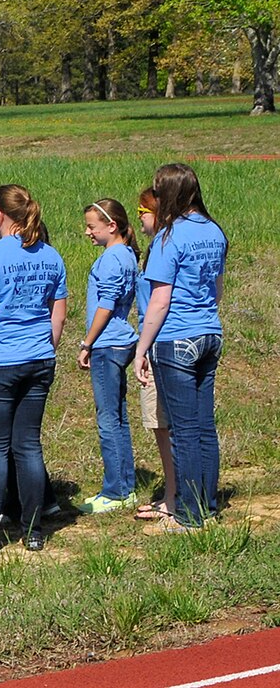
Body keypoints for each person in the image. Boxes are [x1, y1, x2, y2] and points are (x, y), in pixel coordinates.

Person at [0, 185, 67, 555]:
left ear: (0, 215)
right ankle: (34, 531)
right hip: (39, 359)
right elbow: (59, 313)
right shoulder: (51, 256)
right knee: (28, 446)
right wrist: (44, 350)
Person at [134, 164, 227, 532]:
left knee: (184, 431)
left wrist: (142, 348)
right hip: (209, 333)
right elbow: (217, 288)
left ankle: (187, 515)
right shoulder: (214, 231)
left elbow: (159, 300)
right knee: (205, 427)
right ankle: (207, 503)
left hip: (176, 339)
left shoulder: (168, 236)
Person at [76, 199, 140, 513]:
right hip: (120, 342)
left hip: (107, 344)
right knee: (118, 417)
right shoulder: (126, 254)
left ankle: (115, 492)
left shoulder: (112, 258)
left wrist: (87, 342)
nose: (88, 232)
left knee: (108, 420)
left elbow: (106, 304)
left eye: (92, 226)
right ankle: (125, 486)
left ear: (111, 226)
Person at [133, 188, 175, 521]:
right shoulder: (157, 247)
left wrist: (142, 348)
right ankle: (176, 493)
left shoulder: (163, 247)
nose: (140, 218)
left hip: (160, 345)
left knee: (165, 426)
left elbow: (157, 305)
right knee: (163, 426)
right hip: (159, 342)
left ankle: (175, 496)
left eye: (143, 211)